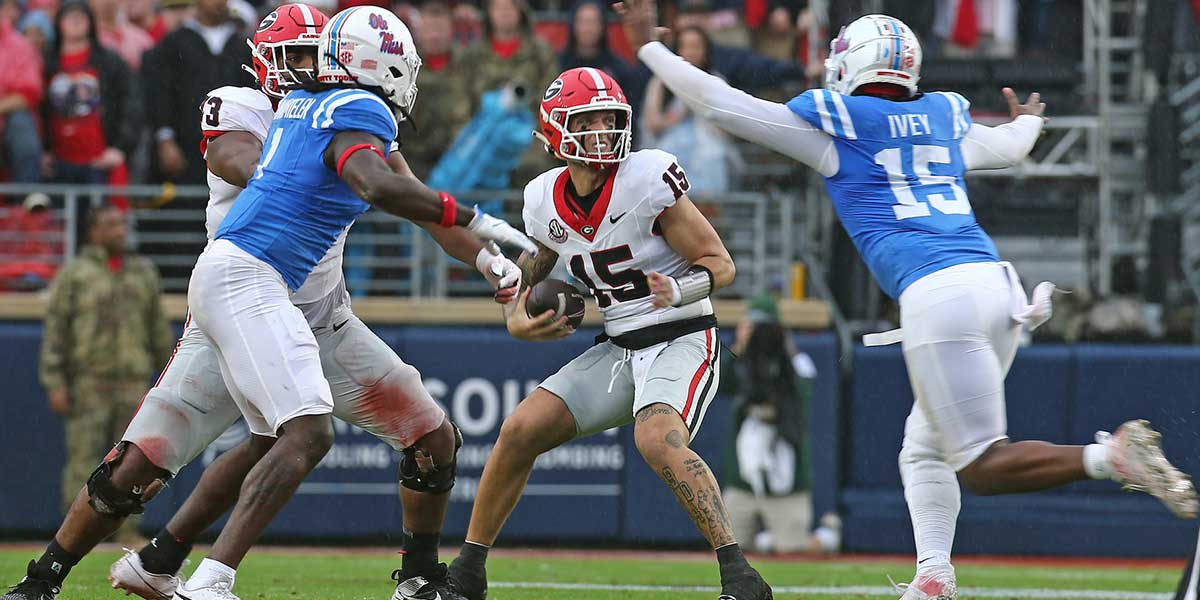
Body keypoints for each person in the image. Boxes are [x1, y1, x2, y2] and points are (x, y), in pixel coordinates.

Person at [617, 4, 1199, 599]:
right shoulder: (938, 119)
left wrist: (651, 51)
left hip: (938, 295)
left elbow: (721, 104)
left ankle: (1111, 457)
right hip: (998, 289)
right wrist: (1029, 123)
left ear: (853, 64)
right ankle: (933, 578)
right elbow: (1008, 147)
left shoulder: (838, 129)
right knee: (924, 446)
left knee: (982, 466)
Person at [0, 6, 527, 600]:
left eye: (315, 54)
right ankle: (44, 578)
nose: (307, 67)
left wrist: (488, 259)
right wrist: (312, 157)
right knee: (142, 462)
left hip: (321, 315)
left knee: (429, 438)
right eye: (296, 56)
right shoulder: (256, 107)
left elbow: (415, 197)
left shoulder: (341, 114)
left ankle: (415, 576)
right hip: (238, 301)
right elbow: (248, 163)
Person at [172, 5, 533, 599]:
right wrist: (475, 217)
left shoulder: (307, 103)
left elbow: (401, 188)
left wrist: (486, 257)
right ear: (379, 64)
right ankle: (208, 580)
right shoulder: (359, 106)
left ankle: (415, 579)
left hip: (260, 280)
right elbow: (378, 186)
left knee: (406, 433)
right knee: (305, 435)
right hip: (252, 276)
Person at [447, 66, 772, 600]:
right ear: (556, 132)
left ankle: (740, 574)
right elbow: (537, 268)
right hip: (621, 345)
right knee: (518, 431)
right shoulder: (542, 200)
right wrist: (514, 314)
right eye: (588, 120)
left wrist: (680, 290)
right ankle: (468, 572)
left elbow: (721, 264)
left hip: (683, 333)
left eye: (609, 118)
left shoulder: (647, 179)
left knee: (655, 437)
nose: (602, 131)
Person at [38, 203, 173, 547]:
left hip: (133, 381)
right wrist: (56, 381)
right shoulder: (76, 273)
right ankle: (72, 537)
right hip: (89, 380)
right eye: (111, 225)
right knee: (83, 458)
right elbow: (57, 330)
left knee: (132, 461)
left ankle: (124, 531)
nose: (119, 231)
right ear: (93, 231)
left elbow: (157, 328)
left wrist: (168, 376)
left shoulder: (142, 271)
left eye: (121, 224)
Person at [141, 0, 252, 184]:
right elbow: (161, 93)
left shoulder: (242, 44)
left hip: (232, 143)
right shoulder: (174, 43)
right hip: (186, 143)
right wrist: (165, 139)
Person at [43, 0, 141, 186]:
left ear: (91, 23)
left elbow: (132, 105)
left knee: (106, 215)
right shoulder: (47, 62)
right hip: (58, 163)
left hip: (102, 162)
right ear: (58, 23)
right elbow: (39, 109)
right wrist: (43, 150)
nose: (76, 21)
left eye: (81, 17)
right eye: (70, 16)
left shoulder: (110, 61)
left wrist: (120, 148)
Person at [0, 0, 44, 184]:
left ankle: (28, 201)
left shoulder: (20, 46)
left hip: (9, 120)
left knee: (21, 123)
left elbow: (29, 94)